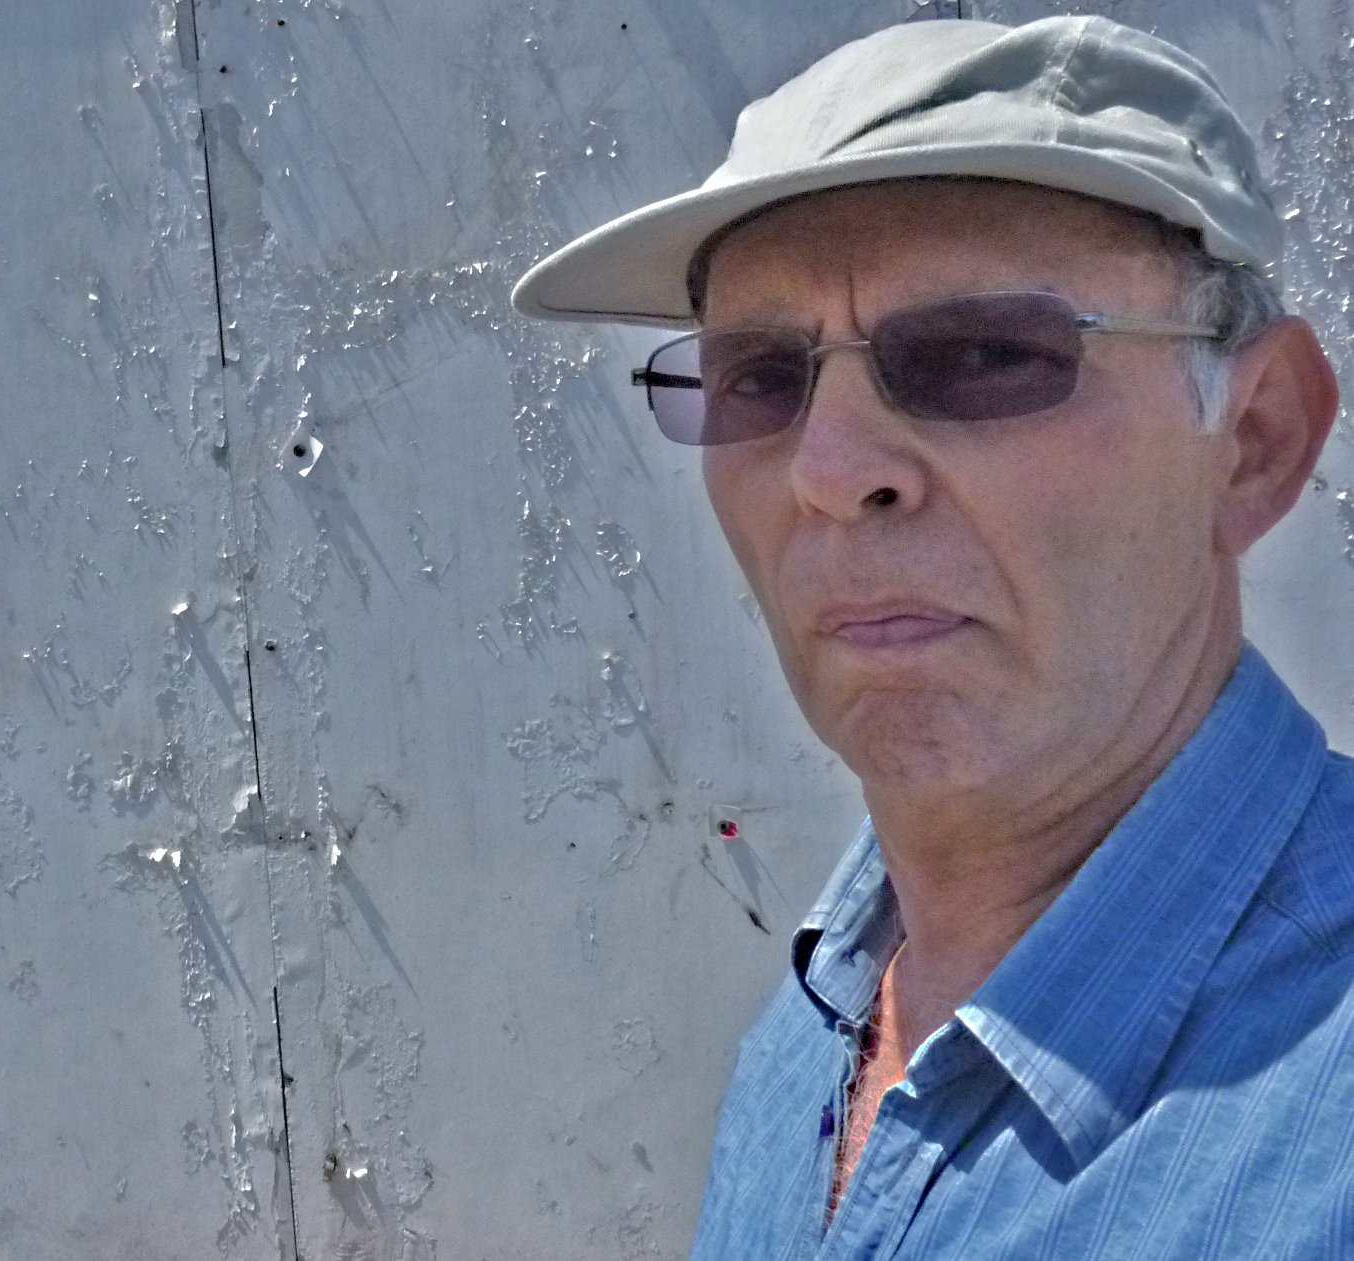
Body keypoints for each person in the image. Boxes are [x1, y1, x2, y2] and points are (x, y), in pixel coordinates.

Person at [513, 15, 1351, 1259]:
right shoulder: (822, 1021)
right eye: (759, 375)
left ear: (1256, 439)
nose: (830, 467)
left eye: (977, 353)